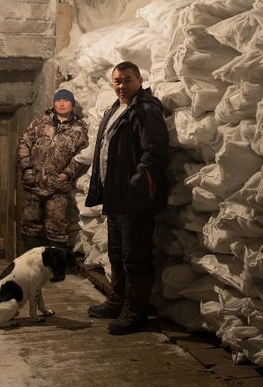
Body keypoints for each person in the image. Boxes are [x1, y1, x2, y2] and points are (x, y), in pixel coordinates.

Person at [85, 61, 169, 334]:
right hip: (115, 196)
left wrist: (137, 186)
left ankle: (135, 313)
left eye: (127, 80)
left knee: (136, 258)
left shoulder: (145, 110)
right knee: (117, 253)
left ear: (140, 80)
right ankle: (117, 300)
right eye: (117, 81)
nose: (121, 85)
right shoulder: (115, 109)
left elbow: (154, 152)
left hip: (134, 198)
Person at [18, 88, 89, 251]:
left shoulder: (79, 129)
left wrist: (67, 173)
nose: (61, 103)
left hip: (57, 188)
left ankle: (56, 264)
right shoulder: (39, 123)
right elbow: (24, 143)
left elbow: (81, 156)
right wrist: (27, 169)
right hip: (33, 185)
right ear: (54, 103)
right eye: (58, 100)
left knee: (58, 230)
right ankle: (32, 262)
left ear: (72, 104)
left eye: (66, 100)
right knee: (30, 227)